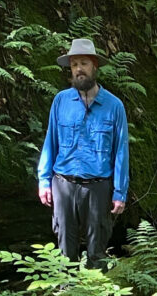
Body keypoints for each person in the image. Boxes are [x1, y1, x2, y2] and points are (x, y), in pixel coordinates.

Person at [38, 38, 129, 269]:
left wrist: (120, 191)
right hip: (63, 184)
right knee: (65, 250)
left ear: (95, 66)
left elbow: (121, 151)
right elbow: (51, 141)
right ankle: (67, 295)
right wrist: (43, 181)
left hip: (98, 187)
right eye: (74, 64)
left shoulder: (114, 105)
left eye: (84, 63)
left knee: (97, 250)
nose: (78, 69)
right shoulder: (61, 101)